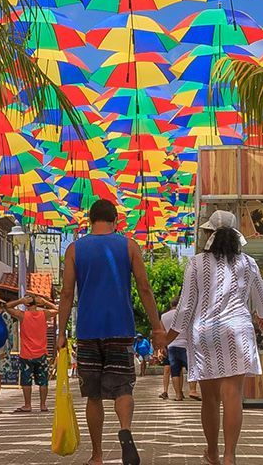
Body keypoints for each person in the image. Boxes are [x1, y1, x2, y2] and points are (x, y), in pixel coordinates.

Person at [58, 198, 167, 465]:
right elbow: (144, 287)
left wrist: (61, 332)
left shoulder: (74, 249)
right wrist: (156, 326)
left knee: (93, 395)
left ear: (89, 220)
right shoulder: (128, 245)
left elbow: (67, 292)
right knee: (123, 388)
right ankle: (125, 431)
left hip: (87, 330)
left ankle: (97, 455)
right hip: (121, 328)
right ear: (115, 220)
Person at [165, 210, 263, 465]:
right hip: (238, 332)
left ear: (209, 234)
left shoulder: (197, 262)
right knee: (233, 395)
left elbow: (187, 306)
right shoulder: (248, 263)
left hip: (206, 333)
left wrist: (167, 337)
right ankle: (230, 456)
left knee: (209, 399)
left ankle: (211, 452)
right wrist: (262, 316)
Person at [11, 292, 56, 412]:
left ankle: (27, 404)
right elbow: (59, 309)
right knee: (43, 381)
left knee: (26, 380)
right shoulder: (44, 314)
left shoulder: (22, 315)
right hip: (41, 353)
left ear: (26, 304)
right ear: (36, 303)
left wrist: (20, 301)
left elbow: (7, 307)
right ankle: (43, 405)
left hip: (26, 354)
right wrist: (45, 302)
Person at [158, 305, 189, 401]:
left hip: (170, 345)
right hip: (185, 344)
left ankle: (177, 394)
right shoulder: (185, 314)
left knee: (174, 371)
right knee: (190, 369)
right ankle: (192, 390)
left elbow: (161, 332)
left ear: (171, 305)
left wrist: (161, 347)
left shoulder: (164, 316)